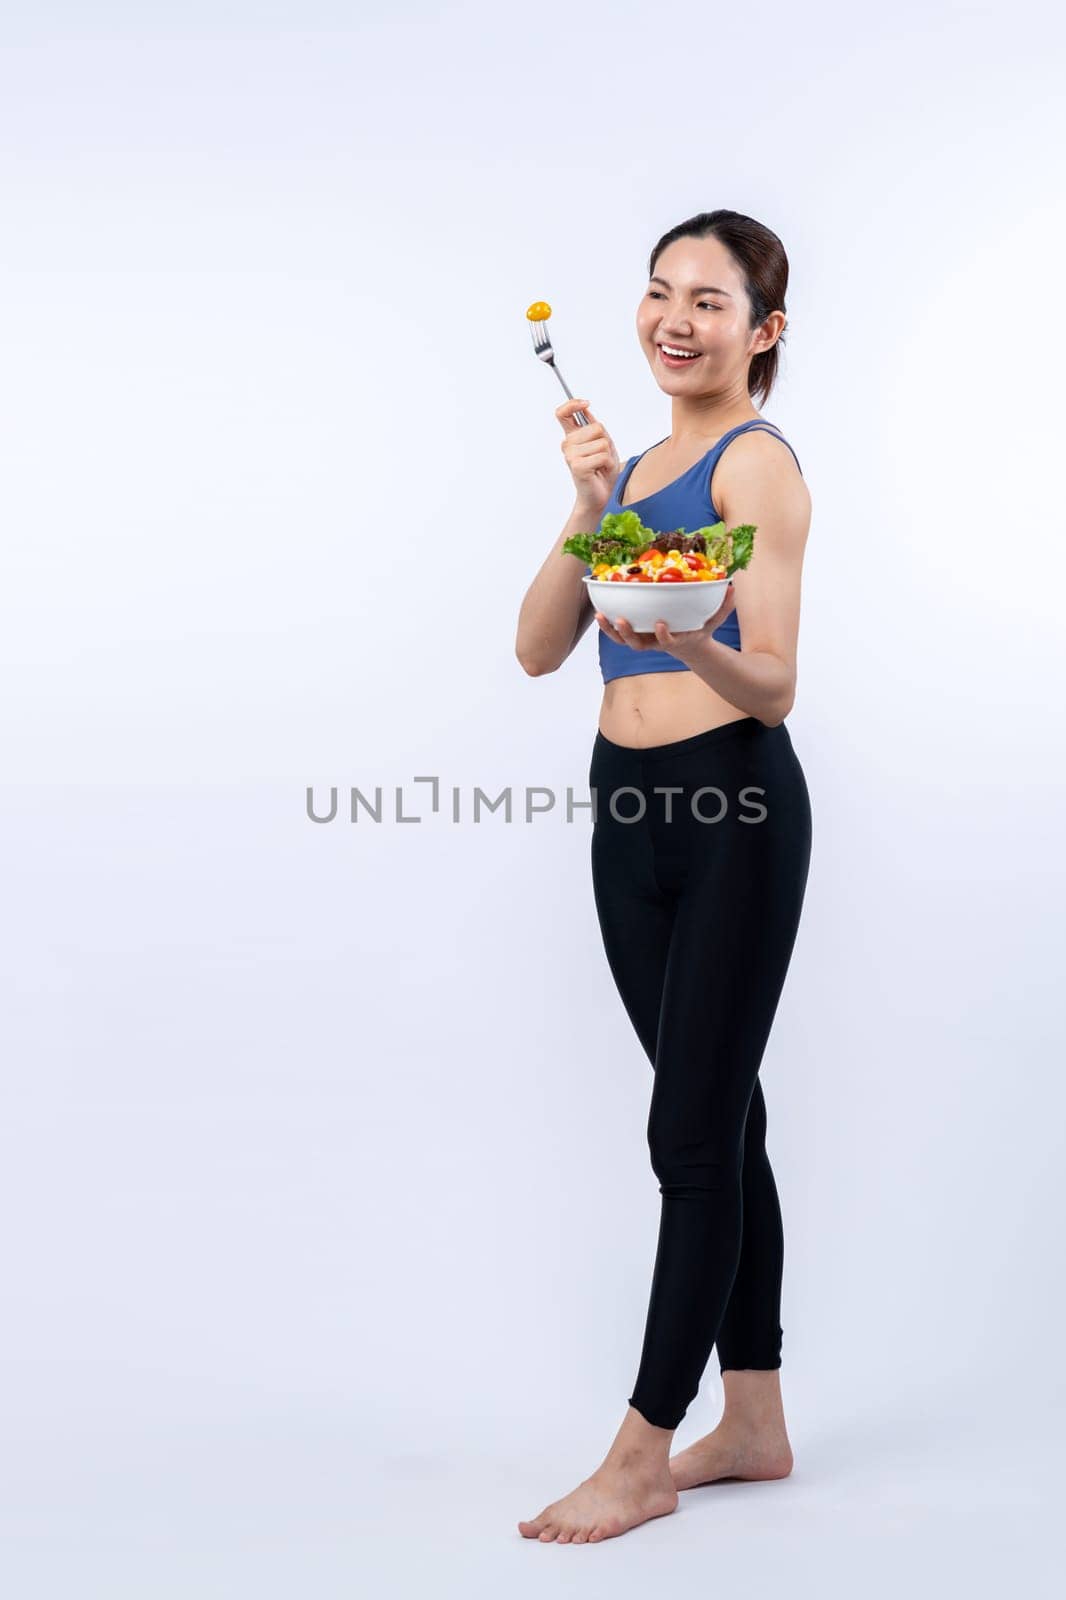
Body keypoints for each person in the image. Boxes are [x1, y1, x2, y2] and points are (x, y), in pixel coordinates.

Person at [514, 210, 813, 1544]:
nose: (671, 319)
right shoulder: (630, 471)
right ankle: (750, 1422)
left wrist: (678, 630)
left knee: (684, 1140)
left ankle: (641, 1450)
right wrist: (590, 512)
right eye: (655, 293)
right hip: (623, 811)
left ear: (763, 331)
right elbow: (534, 648)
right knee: (719, 1117)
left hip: (734, 807)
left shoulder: (757, 471)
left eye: (707, 299)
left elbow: (770, 680)